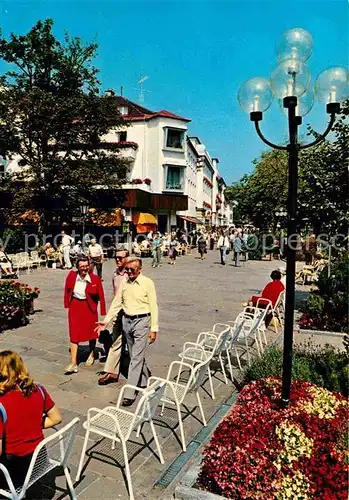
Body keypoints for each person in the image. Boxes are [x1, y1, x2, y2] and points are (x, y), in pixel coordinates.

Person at [95, 257, 158, 406]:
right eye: (127, 269)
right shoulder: (125, 282)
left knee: (135, 358)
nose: (129, 272)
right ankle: (144, 380)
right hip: (126, 321)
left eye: (132, 270)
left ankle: (130, 393)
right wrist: (106, 320)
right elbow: (117, 303)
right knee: (135, 354)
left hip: (142, 321)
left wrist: (154, 328)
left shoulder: (147, 283)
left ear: (139, 269)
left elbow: (154, 306)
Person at [0, 351, 61, 489]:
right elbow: (56, 418)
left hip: (13, 470)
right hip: (38, 461)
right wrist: (30, 425)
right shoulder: (38, 390)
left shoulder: (1, 403)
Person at [64, 255, 106, 374]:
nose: (84, 268)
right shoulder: (71, 276)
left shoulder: (95, 278)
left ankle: (92, 353)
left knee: (91, 332)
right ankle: (73, 363)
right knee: (74, 333)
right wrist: (67, 304)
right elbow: (67, 290)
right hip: (75, 307)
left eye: (86, 266)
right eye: (82, 266)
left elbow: (101, 295)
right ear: (77, 266)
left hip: (89, 307)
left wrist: (102, 311)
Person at [98, 248, 129, 386]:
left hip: (130, 313)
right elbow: (115, 294)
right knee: (115, 341)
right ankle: (112, 372)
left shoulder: (131, 274)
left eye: (121, 258)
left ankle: (141, 374)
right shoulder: (115, 274)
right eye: (116, 257)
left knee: (132, 345)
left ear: (127, 259)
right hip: (118, 312)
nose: (117, 260)